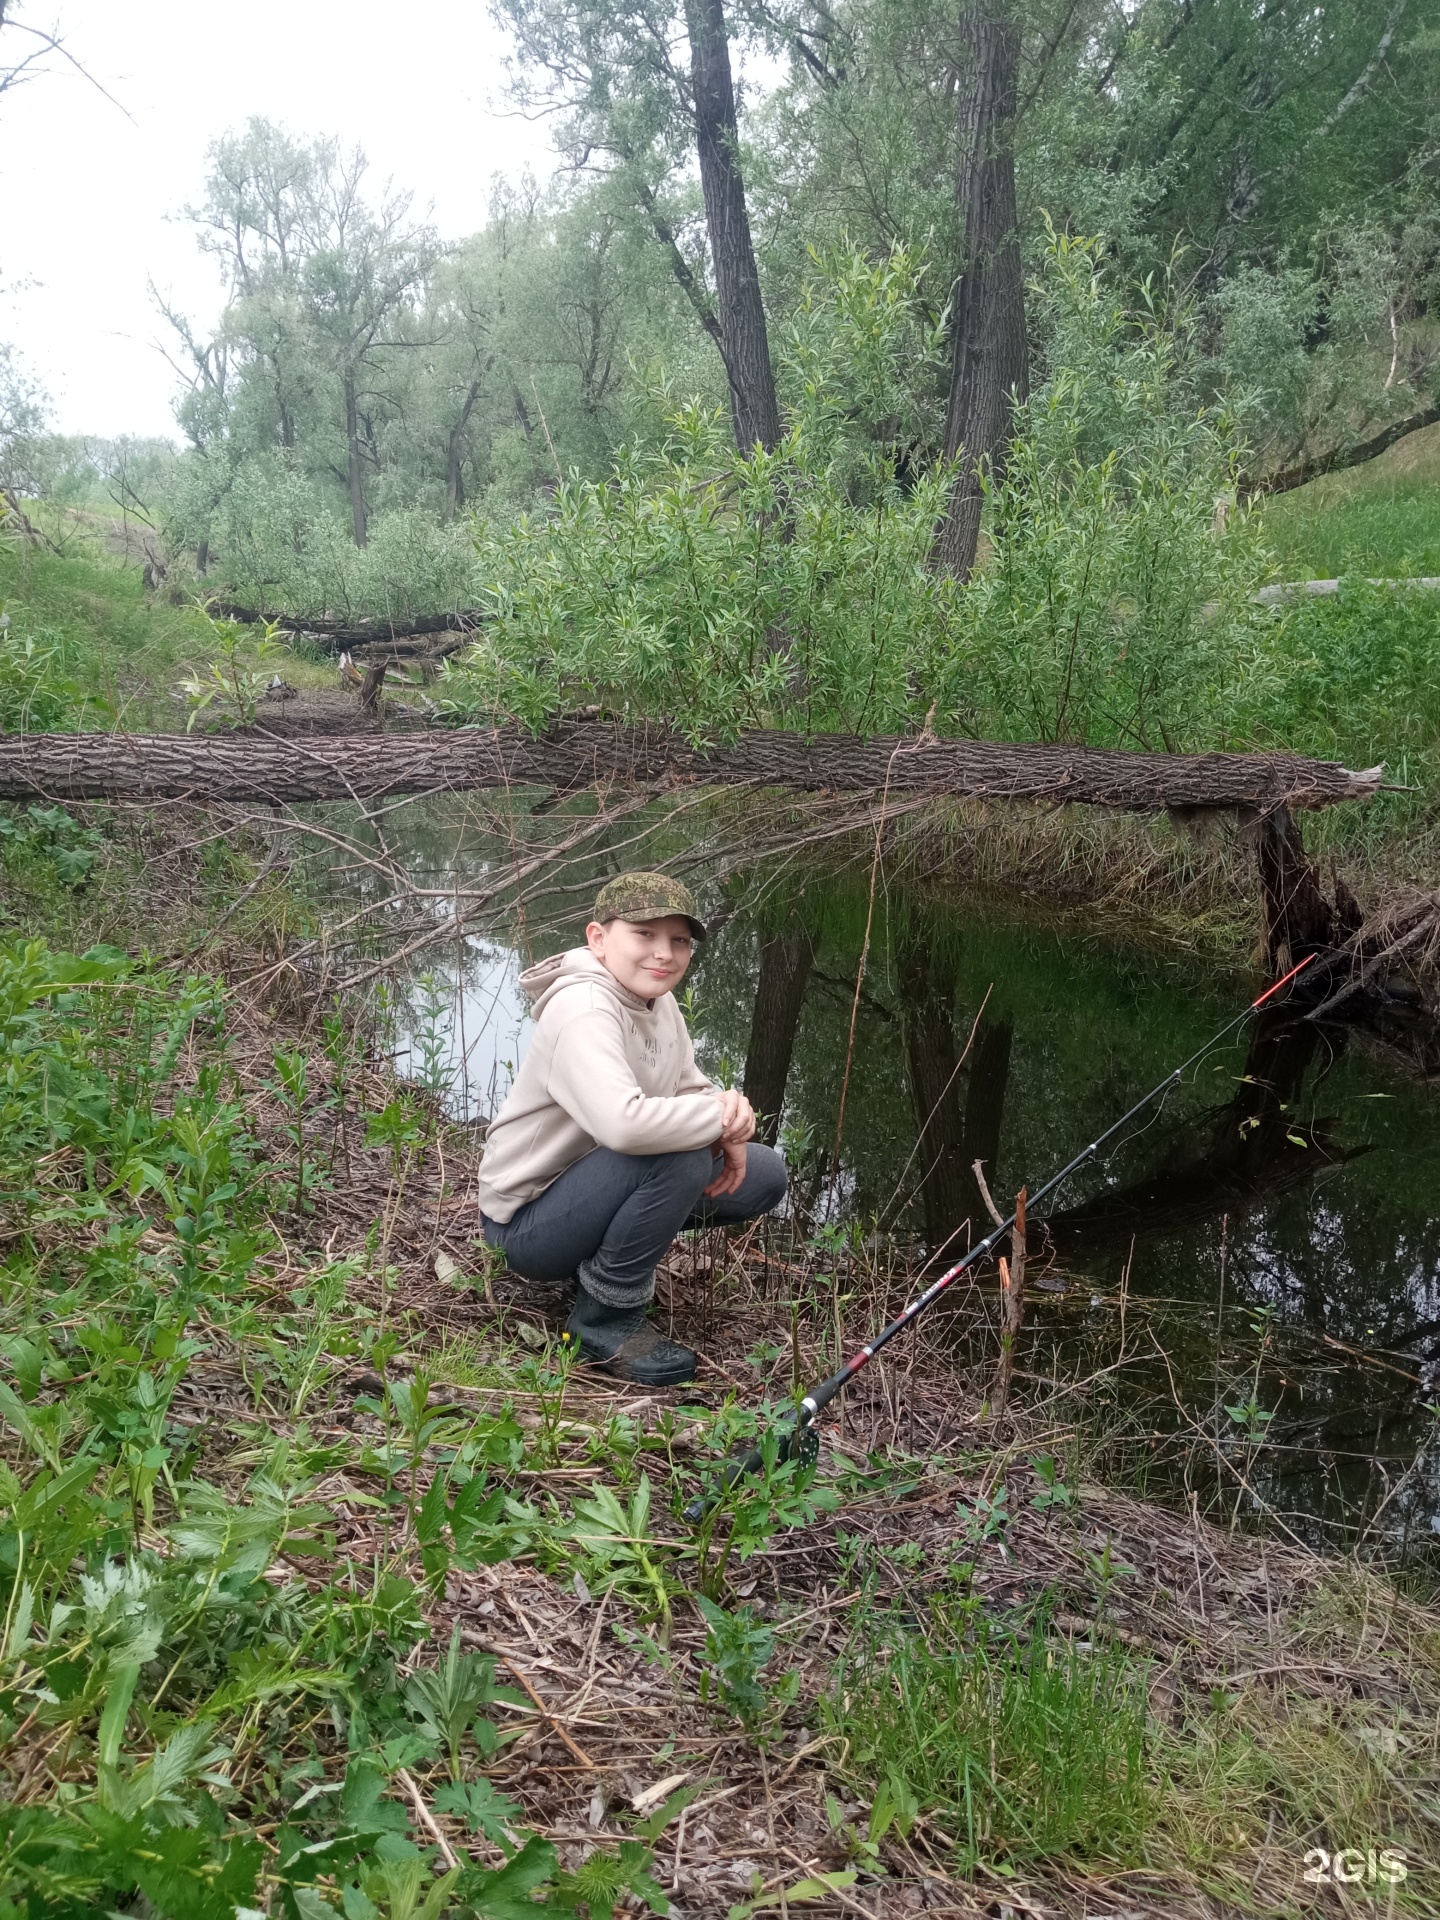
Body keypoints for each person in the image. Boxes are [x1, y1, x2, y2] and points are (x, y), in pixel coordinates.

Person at [476, 872, 788, 1385]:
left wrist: (730, 1119)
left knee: (765, 1172)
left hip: (591, 1191)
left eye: (679, 939)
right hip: (524, 1226)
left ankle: (607, 1257)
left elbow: (687, 1087)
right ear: (598, 938)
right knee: (679, 1154)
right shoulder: (582, 1008)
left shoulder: (656, 1001)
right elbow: (624, 1126)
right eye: (644, 934)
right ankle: (601, 1322)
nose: (663, 953)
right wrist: (713, 1124)